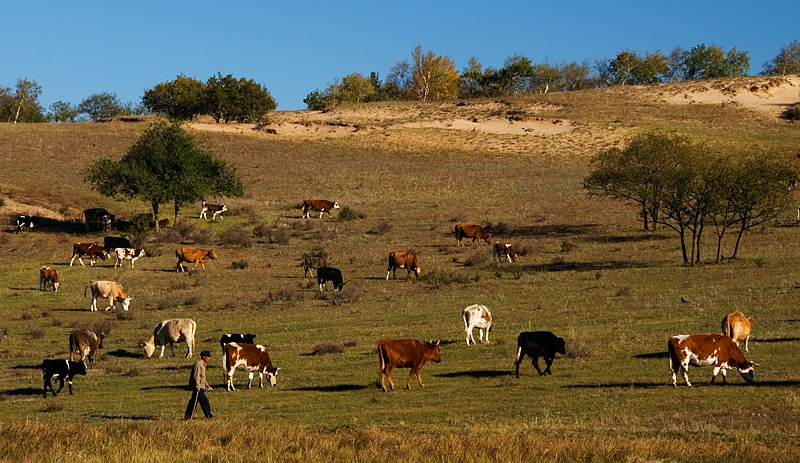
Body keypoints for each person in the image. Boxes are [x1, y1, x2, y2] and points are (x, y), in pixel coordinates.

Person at [185, 350, 213, 420]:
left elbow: (202, 377)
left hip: (201, 386)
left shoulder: (202, 365)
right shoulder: (199, 364)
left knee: (193, 401)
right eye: (208, 357)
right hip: (198, 387)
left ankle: (188, 416)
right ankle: (208, 415)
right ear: (204, 357)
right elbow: (196, 376)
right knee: (204, 401)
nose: (209, 358)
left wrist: (207, 385)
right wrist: (197, 386)